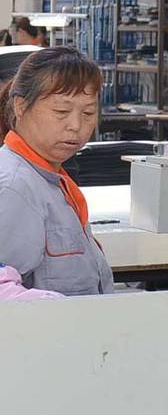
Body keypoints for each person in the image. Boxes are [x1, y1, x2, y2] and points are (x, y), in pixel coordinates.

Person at [0, 47, 115, 296]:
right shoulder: (15, 187)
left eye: (88, 113)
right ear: (20, 106)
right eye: (61, 112)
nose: (76, 125)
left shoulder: (51, 179)